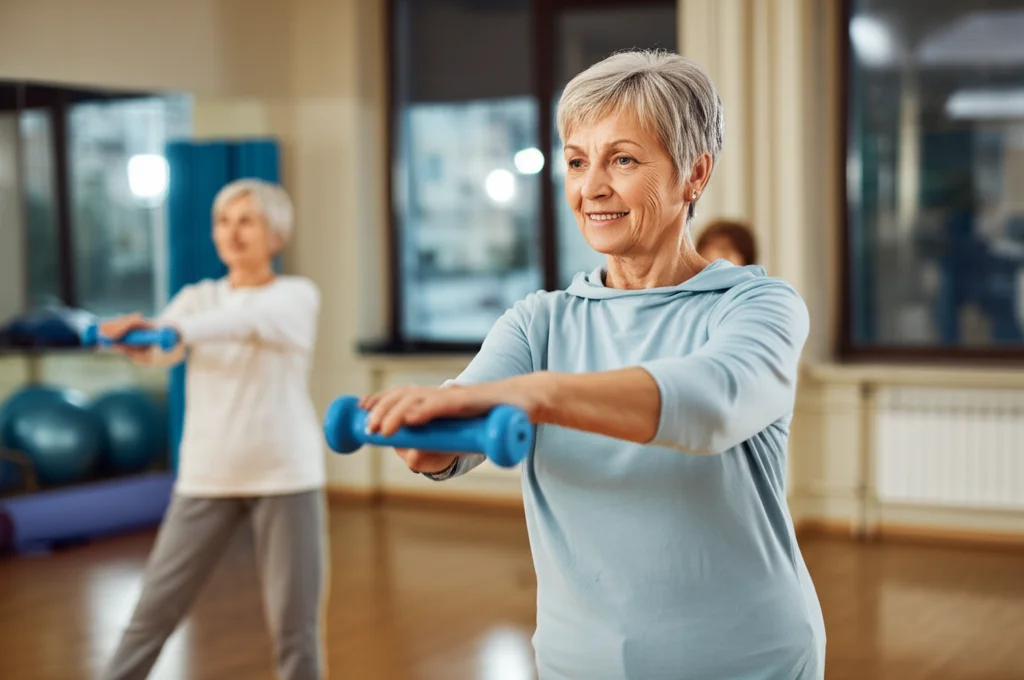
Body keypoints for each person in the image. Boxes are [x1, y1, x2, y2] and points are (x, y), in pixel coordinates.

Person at [359, 50, 825, 679]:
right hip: (580, 661)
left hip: (745, 658)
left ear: (694, 174)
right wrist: (420, 432)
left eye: (623, 160)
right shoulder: (539, 321)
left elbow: (711, 404)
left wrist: (538, 396)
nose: (591, 187)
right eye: (577, 162)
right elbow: (446, 444)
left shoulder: (758, 305)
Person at [98, 179, 327, 680]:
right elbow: (162, 350)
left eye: (248, 221)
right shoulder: (196, 297)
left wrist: (172, 328)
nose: (233, 232)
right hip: (207, 475)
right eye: (224, 222)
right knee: (151, 615)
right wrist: (136, 339)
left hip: (285, 475)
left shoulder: (295, 295)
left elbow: (241, 323)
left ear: (276, 234)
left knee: (296, 630)